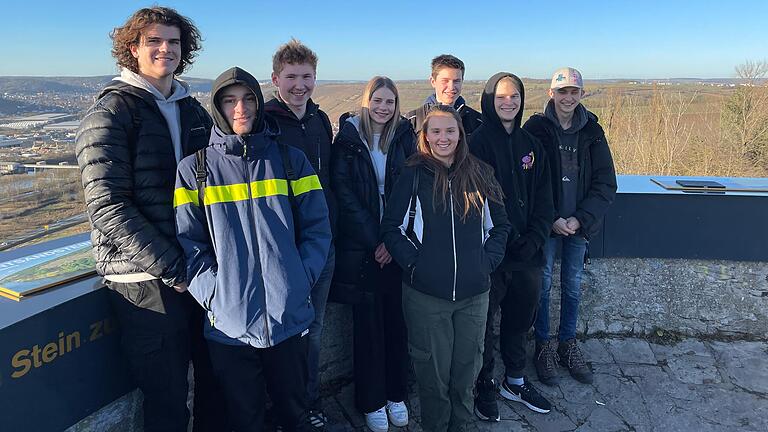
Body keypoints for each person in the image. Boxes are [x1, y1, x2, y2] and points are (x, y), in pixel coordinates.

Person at [75, 7, 224, 431]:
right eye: (154, 41)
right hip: (145, 283)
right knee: (166, 398)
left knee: (216, 381)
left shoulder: (193, 111)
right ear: (132, 49)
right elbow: (107, 207)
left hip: (198, 270)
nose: (166, 49)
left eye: (174, 42)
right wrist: (173, 267)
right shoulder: (111, 114)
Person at [174, 66, 332, 432]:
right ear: (218, 108)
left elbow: (318, 229)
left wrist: (298, 280)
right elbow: (191, 245)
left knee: (295, 415)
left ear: (259, 104)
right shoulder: (194, 171)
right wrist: (217, 298)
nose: (240, 108)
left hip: (288, 317)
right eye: (230, 101)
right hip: (229, 326)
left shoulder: (291, 161)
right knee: (245, 419)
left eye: (247, 99)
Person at [381, 105, 510, 432]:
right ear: (424, 136)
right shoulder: (412, 174)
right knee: (433, 381)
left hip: (474, 296)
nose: (443, 138)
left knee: (466, 376)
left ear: (460, 134)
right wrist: (417, 265)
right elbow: (392, 228)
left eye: (449, 131)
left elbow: (500, 227)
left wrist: (485, 264)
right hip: (426, 297)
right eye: (435, 131)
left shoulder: (480, 173)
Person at [330, 76, 415, 432]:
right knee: (367, 327)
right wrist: (376, 241)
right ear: (366, 102)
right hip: (364, 250)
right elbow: (344, 195)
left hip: (396, 246)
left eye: (389, 102)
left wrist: (393, 241)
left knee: (398, 324)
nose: (383, 108)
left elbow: (412, 190)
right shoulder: (348, 141)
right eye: (377, 101)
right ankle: (371, 400)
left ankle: (397, 393)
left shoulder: (405, 137)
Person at [523, 67, 617, 386]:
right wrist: (549, 218)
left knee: (573, 285)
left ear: (582, 95)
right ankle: (544, 346)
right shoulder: (535, 129)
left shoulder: (592, 131)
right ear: (551, 94)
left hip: (579, 225)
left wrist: (580, 219)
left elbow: (605, 182)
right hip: (546, 224)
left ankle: (567, 344)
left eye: (574, 92)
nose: (568, 98)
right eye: (562, 92)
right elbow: (526, 180)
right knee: (544, 284)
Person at [469, 73, 555, 420]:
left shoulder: (531, 144)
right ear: (489, 99)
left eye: (515, 96)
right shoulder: (475, 143)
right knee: (483, 324)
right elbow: (472, 201)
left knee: (520, 320)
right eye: (501, 96)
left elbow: (545, 197)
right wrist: (496, 245)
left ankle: (515, 381)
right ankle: (484, 384)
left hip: (526, 254)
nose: (509, 103)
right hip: (490, 256)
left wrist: (535, 237)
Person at [264, 39, 337, 425]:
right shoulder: (264, 122)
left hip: (323, 243)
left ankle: (307, 404)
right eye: (291, 76)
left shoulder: (320, 120)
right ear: (276, 78)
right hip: (284, 247)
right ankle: (281, 407)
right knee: (282, 332)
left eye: (306, 76)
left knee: (315, 328)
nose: (299, 85)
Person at [406, 54, 482, 136]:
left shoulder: (477, 121)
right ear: (433, 81)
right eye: (445, 81)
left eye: (456, 81)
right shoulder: (413, 121)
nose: (451, 87)